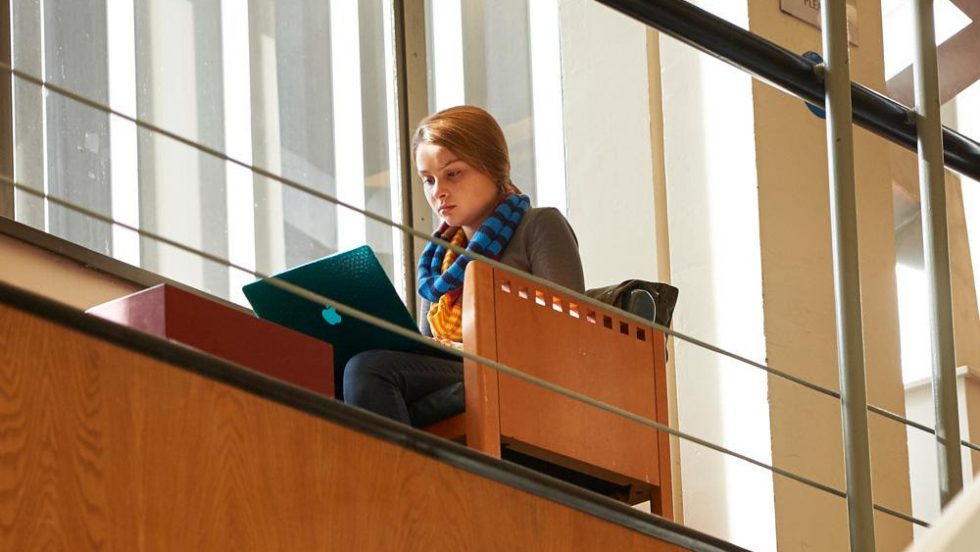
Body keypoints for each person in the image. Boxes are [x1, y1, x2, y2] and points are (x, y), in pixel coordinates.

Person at [342, 105, 585, 426]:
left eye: (453, 173)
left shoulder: (539, 226)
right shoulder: (438, 265)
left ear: (493, 166)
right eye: (427, 180)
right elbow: (428, 350)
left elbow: (571, 333)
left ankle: (402, 476)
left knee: (368, 370)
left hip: (518, 370)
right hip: (460, 365)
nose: (438, 191)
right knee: (338, 367)